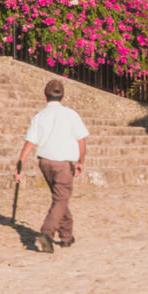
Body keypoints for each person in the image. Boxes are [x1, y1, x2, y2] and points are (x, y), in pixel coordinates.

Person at [14, 78, 89, 253]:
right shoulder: (71, 114)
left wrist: (19, 167)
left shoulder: (39, 116)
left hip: (45, 162)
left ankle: (66, 236)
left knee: (59, 199)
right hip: (63, 163)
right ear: (63, 97)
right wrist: (81, 161)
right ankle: (46, 234)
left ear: (44, 96)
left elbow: (29, 144)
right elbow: (81, 140)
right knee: (61, 199)